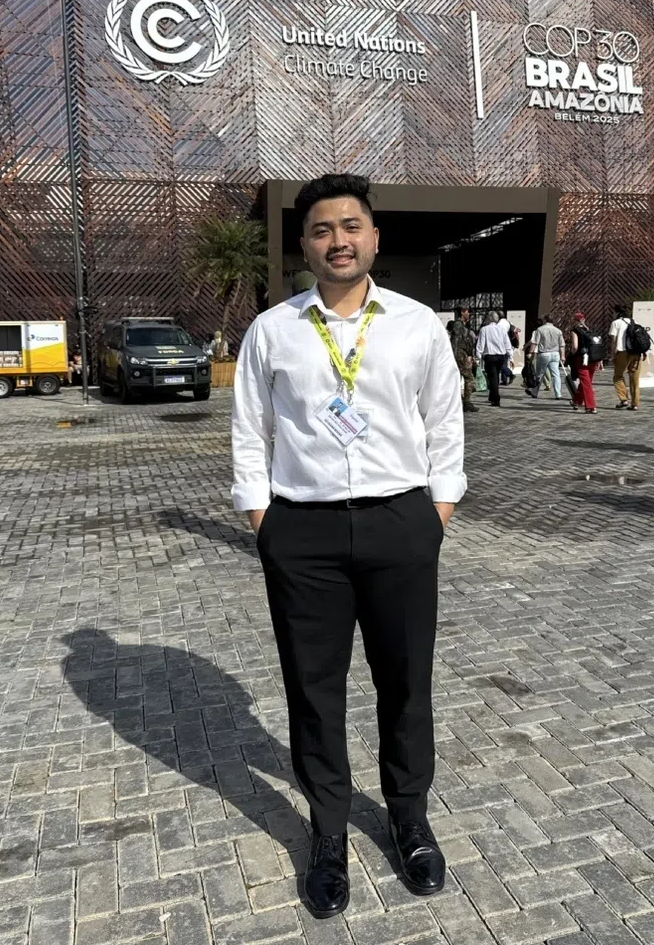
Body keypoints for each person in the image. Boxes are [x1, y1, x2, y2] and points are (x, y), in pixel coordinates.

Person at [232, 173, 464, 919]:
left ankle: (409, 817)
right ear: (304, 244)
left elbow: (444, 421)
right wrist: (263, 519)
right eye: (324, 229)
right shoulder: (273, 330)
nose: (340, 240)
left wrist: (438, 510)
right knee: (314, 686)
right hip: (304, 530)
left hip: (401, 521)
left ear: (374, 236)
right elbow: (248, 430)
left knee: (405, 681)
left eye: (352, 226)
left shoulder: (418, 325)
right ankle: (328, 832)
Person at [607, 304, 642, 411]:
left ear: (616, 312)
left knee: (618, 376)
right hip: (636, 353)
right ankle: (635, 404)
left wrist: (613, 354)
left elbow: (613, 340)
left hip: (622, 352)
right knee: (634, 378)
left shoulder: (615, 323)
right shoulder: (634, 322)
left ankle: (624, 399)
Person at [568, 312, 603, 413]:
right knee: (586, 381)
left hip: (582, 359)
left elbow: (575, 347)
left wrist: (571, 355)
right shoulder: (589, 330)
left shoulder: (575, 331)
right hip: (593, 359)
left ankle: (591, 406)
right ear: (583, 320)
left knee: (586, 383)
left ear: (575, 321)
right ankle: (576, 401)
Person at [475, 310, 512, 407]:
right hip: (501, 356)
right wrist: (510, 356)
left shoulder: (484, 329)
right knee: (495, 376)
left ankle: (495, 399)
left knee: (493, 377)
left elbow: (480, 344)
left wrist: (478, 355)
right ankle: (492, 396)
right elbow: (507, 343)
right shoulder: (501, 329)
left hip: (490, 356)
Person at [447, 307, 478, 413]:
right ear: (462, 312)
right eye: (467, 312)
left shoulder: (462, 325)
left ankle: (462, 401)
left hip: (462, 354)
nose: (469, 314)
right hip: (461, 355)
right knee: (469, 378)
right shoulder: (458, 325)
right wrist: (456, 356)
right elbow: (457, 341)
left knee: (461, 378)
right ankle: (466, 402)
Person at [529, 314, 566, 399]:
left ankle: (535, 392)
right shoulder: (558, 331)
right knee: (556, 374)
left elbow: (535, 342)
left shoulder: (540, 329)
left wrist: (530, 352)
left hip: (543, 354)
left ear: (545, 320)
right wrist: (563, 356)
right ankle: (558, 394)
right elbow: (562, 345)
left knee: (540, 374)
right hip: (555, 354)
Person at [496, 309, 515, 384]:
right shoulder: (507, 322)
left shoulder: (499, 324)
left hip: (501, 345)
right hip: (507, 344)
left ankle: (509, 374)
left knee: (499, 364)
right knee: (504, 362)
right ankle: (504, 379)